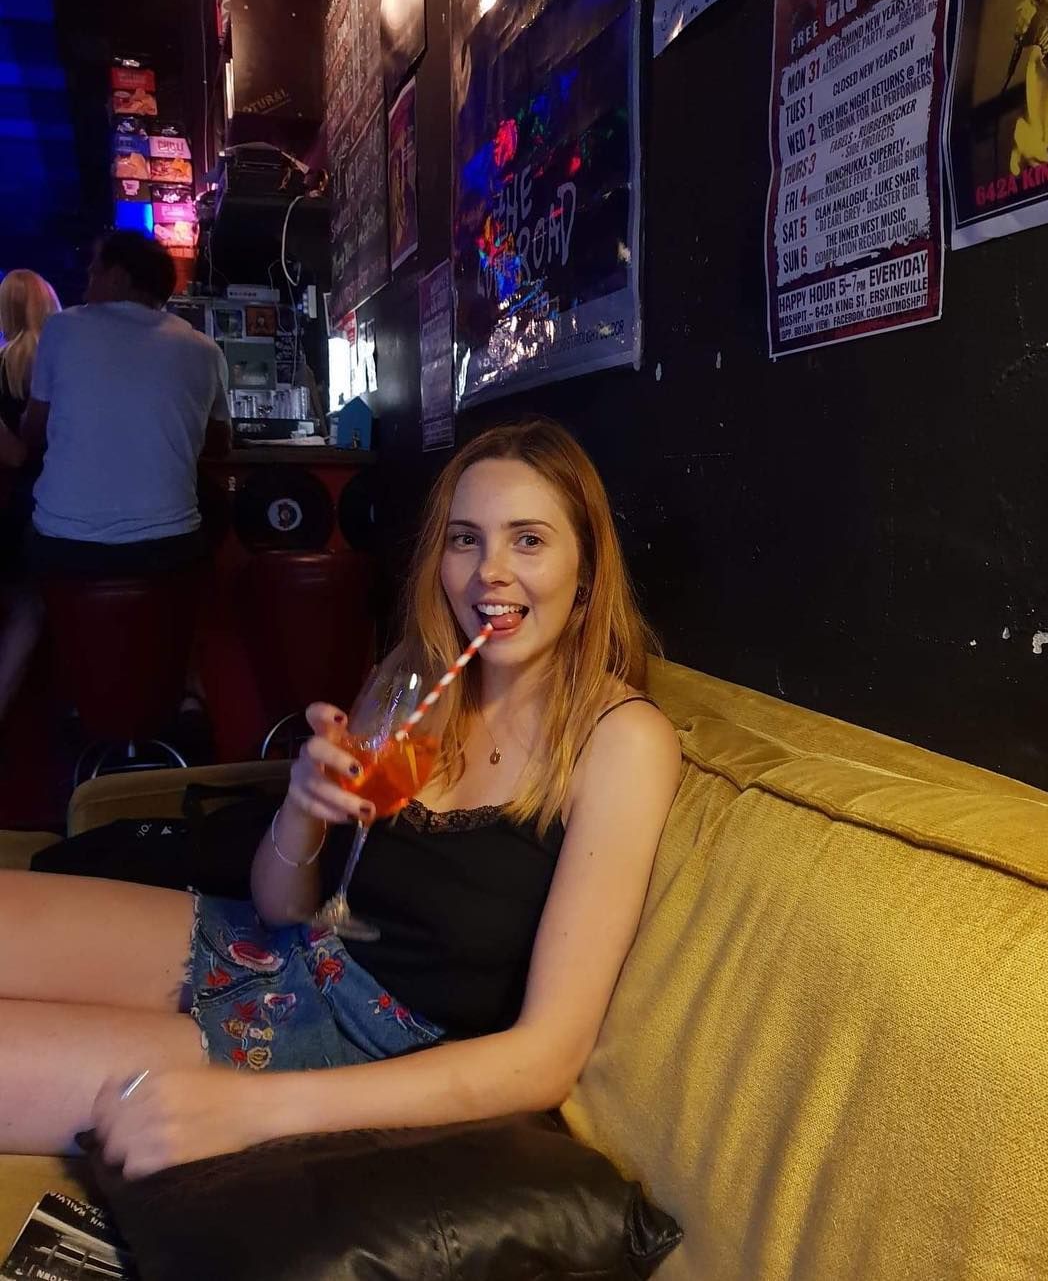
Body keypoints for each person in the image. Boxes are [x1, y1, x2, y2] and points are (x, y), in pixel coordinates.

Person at [0, 418, 681, 1178]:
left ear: (585, 569)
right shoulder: (413, 677)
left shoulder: (621, 741)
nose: (489, 571)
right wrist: (303, 808)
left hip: (353, 1044)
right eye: (465, 539)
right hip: (282, 944)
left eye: (528, 540)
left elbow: (546, 1057)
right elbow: (286, 905)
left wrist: (254, 1109)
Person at [22, 231, 231, 577]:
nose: (86, 284)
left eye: (94, 272)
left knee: (20, 562)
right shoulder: (205, 349)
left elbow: (33, 430)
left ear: (118, 277)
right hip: (168, 548)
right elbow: (221, 444)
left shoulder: (61, 328)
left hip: (66, 546)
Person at [0, 269, 61, 721]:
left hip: (20, 508)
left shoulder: (2, 364)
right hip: (72, 506)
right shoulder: (70, 366)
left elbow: (15, 455)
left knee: (26, 608)